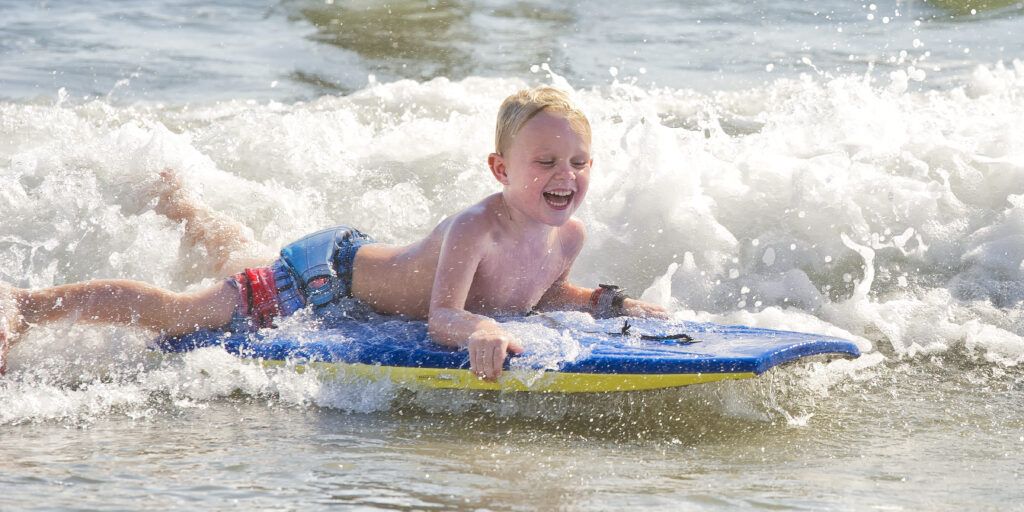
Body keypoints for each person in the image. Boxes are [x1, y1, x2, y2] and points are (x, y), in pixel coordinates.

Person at [0, 87, 668, 379]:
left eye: (578, 163)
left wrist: (606, 303)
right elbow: (444, 317)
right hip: (320, 278)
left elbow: (540, 294)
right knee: (184, 316)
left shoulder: (567, 237)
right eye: (545, 162)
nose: (565, 175)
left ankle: (184, 207)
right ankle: (23, 305)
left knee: (242, 257)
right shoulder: (476, 226)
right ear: (500, 169)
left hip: (349, 275)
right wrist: (480, 329)